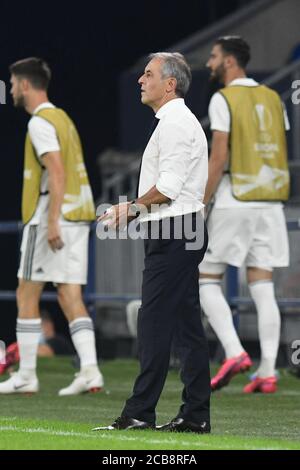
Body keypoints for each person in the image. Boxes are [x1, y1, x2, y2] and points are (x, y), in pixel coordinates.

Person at [94, 52, 210, 433]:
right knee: (186, 325)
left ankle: (140, 411)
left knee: (154, 323)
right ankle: (195, 415)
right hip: (179, 228)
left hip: (176, 230)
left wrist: (130, 208)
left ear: (170, 84)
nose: (140, 80)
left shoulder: (175, 122)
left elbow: (170, 188)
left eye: (148, 74)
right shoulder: (173, 121)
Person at [0, 57, 104, 395]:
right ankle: (90, 370)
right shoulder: (63, 118)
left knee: (26, 291)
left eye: (13, 83)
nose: (11, 89)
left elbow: (56, 171)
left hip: (51, 215)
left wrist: (51, 220)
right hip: (78, 214)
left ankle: (27, 375)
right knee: (69, 293)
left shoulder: (40, 122)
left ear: (26, 85)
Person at [199, 36, 290, 394]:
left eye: (214, 56)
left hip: (236, 196)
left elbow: (219, 155)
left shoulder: (224, 98)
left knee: (205, 279)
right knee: (262, 285)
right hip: (270, 200)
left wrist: (202, 202)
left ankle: (235, 352)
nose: (209, 63)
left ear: (230, 62)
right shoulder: (273, 98)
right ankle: (267, 371)